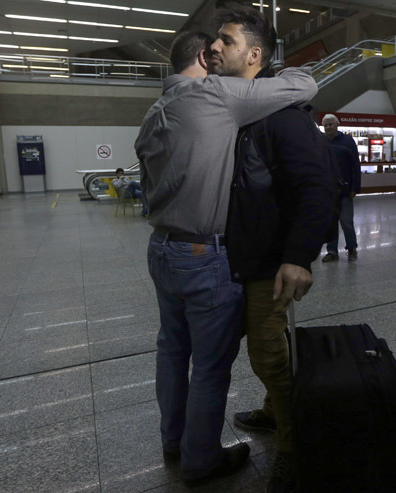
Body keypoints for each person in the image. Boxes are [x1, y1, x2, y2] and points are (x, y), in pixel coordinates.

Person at [135, 30, 317, 485]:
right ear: (203, 57)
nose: (218, 53)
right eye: (213, 48)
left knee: (172, 352)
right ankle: (201, 461)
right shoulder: (214, 95)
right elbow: (305, 85)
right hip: (202, 252)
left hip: (161, 248)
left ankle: (173, 441)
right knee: (211, 366)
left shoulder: (153, 113)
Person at [211, 5, 335, 492]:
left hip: (268, 262)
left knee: (268, 353)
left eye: (227, 41)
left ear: (254, 55)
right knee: (263, 348)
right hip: (237, 259)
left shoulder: (282, 116)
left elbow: (318, 185)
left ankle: (292, 444)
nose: (215, 47)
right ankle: (271, 410)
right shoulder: (240, 112)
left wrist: (298, 256)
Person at [321, 114, 361, 262]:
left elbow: (356, 166)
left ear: (337, 125)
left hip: (345, 189)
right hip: (328, 190)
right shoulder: (322, 142)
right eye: (325, 125)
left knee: (346, 221)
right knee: (331, 222)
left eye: (330, 124)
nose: (328, 127)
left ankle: (352, 248)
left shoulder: (348, 141)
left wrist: (355, 187)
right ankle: (332, 251)